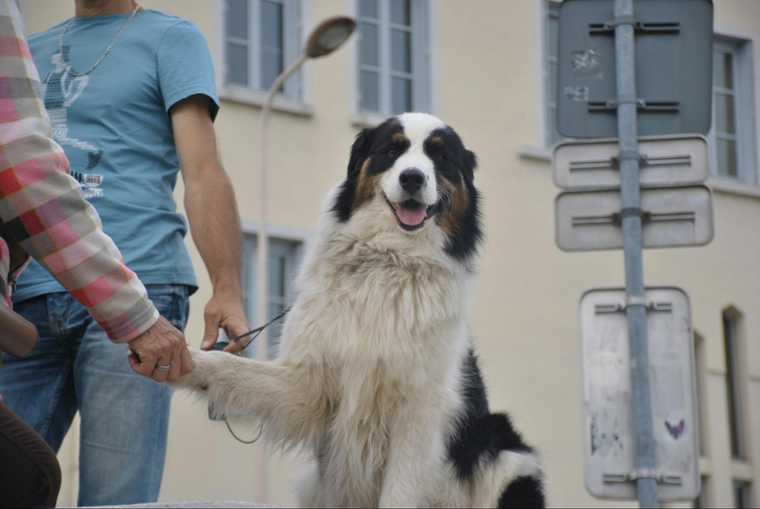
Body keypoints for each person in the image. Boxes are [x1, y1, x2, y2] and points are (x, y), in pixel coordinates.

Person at [0, 0, 249, 505]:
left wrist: (227, 287)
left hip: (143, 289)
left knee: (117, 502)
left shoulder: (172, 39)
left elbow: (203, 173)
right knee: (9, 479)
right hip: (28, 298)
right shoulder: (26, 46)